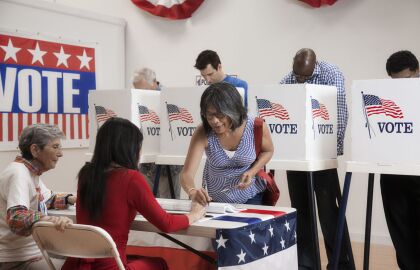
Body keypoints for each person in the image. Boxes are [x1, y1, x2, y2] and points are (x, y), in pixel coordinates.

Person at [62, 117, 205, 270]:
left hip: (76, 265)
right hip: (110, 266)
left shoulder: (86, 174)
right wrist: (194, 215)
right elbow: (166, 224)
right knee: (159, 264)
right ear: (129, 148)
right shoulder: (131, 178)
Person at [280, 48, 354, 270]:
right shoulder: (286, 80)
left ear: (315, 65)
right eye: (298, 76)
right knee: (300, 210)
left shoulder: (331, 73)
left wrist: (332, 151)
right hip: (297, 157)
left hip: (322, 153)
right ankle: (307, 265)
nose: (301, 80)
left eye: (306, 77)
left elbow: (340, 112)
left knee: (329, 211)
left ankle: (341, 264)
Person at [181, 82, 274, 205]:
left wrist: (252, 172)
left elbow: (268, 151)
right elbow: (186, 173)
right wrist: (192, 192)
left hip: (252, 196)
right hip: (216, 201)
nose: (215, 121)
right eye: (209, 115)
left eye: (220, 114)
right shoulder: (203, 132)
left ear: (233, 110)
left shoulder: (256, 126)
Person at [0, 124, 75, 270]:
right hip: (16, 260)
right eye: (55, 147)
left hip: (31, 253)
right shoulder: (18, 174)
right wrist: (48, 219)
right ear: (35, 150)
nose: (61, 154)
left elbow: (47, 200)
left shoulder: (30, 173)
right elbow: (17, 217)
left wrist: (73, 198)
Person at [380, 50, 420, 269]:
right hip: (394, 171)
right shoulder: (386, 95)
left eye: (406, 80)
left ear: (417, 71)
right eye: (395, 81)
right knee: (400, 231)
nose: (401, 85)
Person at [132, 67, 182, 199]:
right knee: (147, 200)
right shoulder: (136, 98)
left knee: (169, 204)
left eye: (143, 89)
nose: (139, 93)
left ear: (154, 82)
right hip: (146, 163)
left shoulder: (170, 97)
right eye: (136, 89)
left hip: (168, 165)